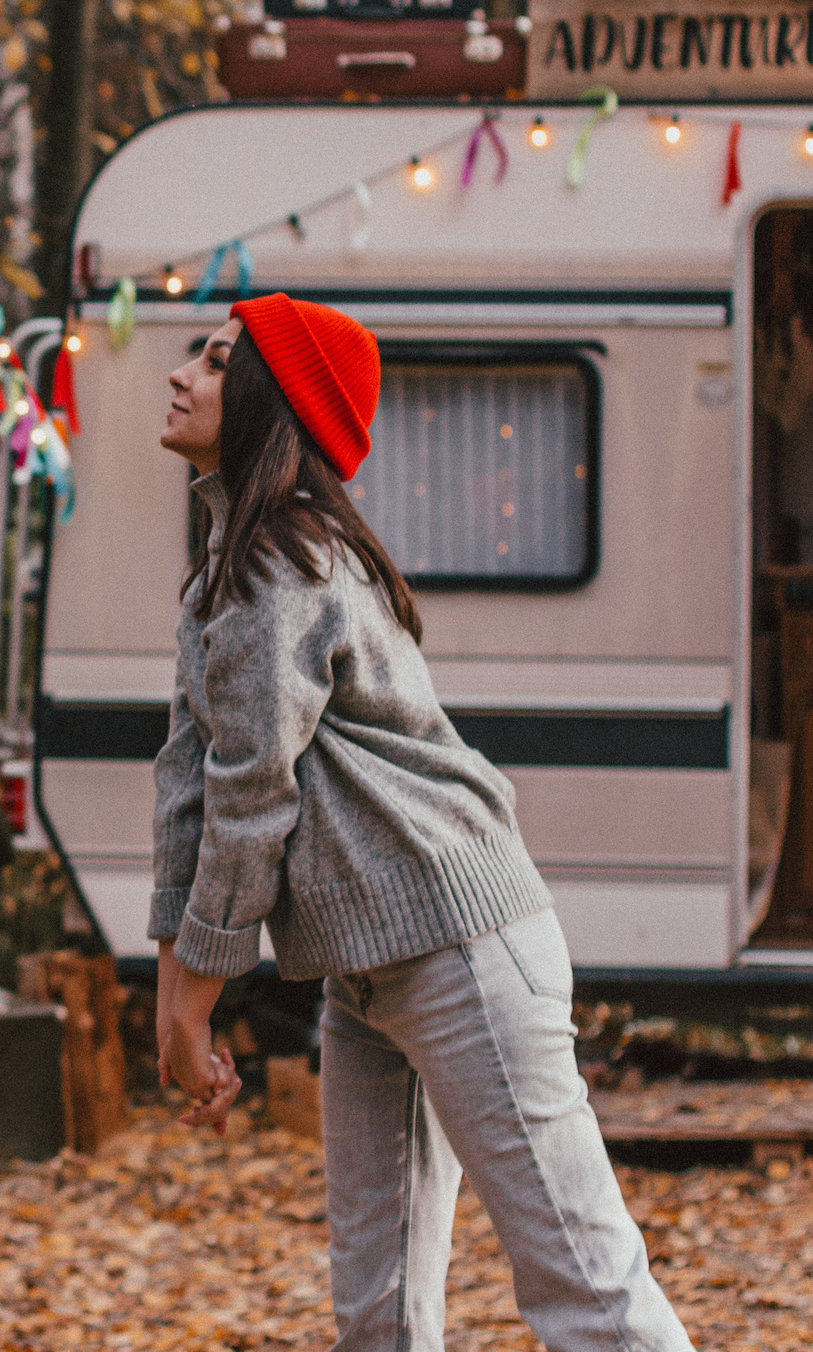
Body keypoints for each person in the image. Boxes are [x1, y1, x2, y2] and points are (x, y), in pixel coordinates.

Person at [151, 294, 693, 1352]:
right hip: (367, 965)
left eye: (215, 362)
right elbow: (189, 779)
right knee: (380, 1307)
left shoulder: (281, 566)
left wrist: (196, 993)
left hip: (460, 950)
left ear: (271, 403)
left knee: (583, 1285)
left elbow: (253, 793)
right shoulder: (227, 572)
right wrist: (178, 987)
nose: (182, 375)